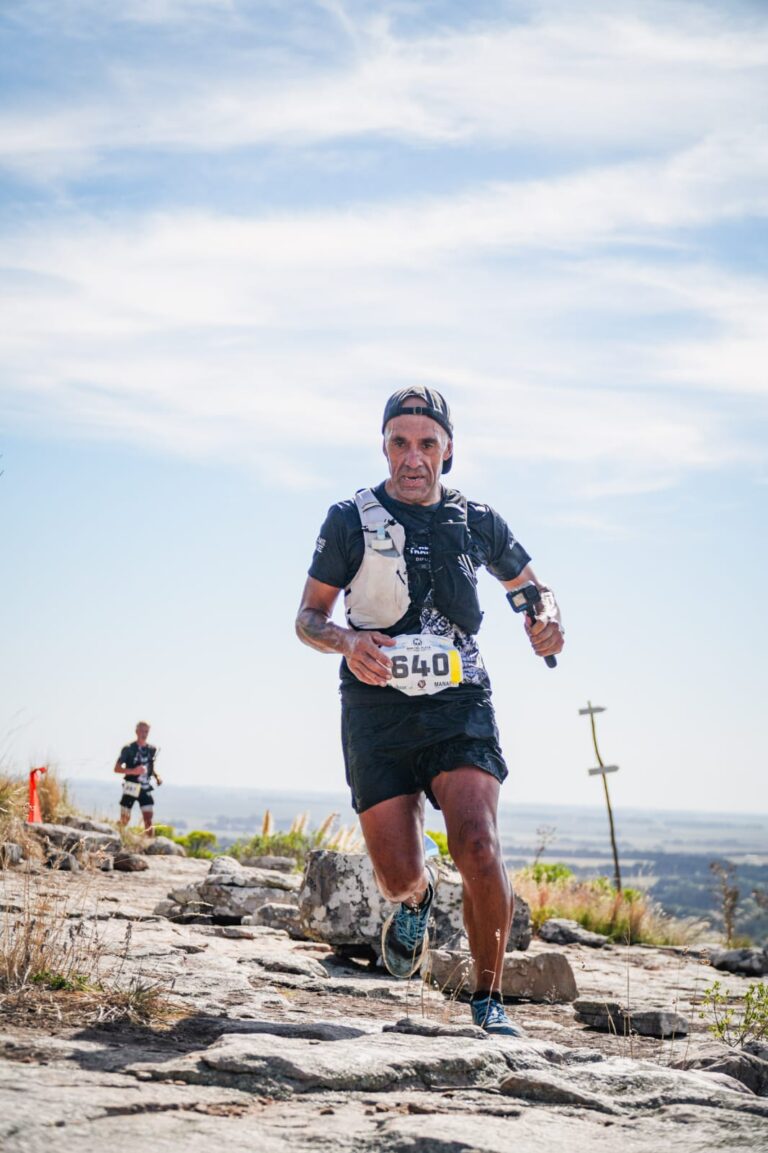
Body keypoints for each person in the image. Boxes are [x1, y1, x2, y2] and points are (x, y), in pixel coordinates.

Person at [295, 387, 564, 1037]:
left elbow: (530, 587)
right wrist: (346, 640)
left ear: (448, 450)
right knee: (396, 874)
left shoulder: (475, 518)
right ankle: (417, 901)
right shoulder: (349, 518)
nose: (413, 457)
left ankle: (488, 998)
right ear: (384, 446)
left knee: (478, 841)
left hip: (457, 701)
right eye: (399, 442)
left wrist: (546, 617)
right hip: (375, 706)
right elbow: (308, 616)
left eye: (427, 443)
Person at [114, 720, 162, 835]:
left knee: (148, 819)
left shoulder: (151, 749)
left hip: (145, 787)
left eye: (146, 731)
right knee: (125, 818)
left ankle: (150, 846)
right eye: (142, 731)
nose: (144, 734)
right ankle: (115, 836)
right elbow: (116, 768)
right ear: (136, 731)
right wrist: (133, 771)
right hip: (131, 785)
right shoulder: (128, 748)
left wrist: (157, 776)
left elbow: (151, 767)